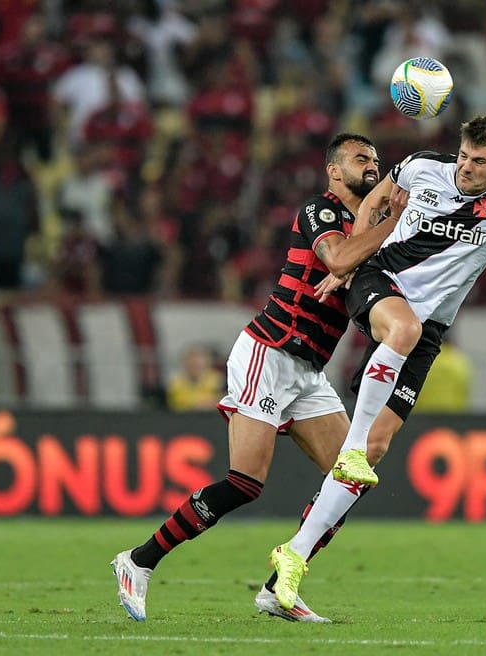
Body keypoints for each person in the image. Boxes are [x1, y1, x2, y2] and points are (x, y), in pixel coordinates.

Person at [268, 115, 486, 611]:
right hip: (380, 283)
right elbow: (373, 207)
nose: (467, 168)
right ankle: (352, 449)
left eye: (480, 162)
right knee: (398, 339)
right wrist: (350, 266)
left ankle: (291, 561)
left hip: (428, 332)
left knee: (378, 447)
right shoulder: (421, 166)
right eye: (465, 156)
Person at [110, 133, 406, 624]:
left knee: (350, 478)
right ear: (334, 170)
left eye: (376, 159)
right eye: (360, 158)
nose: (372, 165)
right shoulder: (322, 210)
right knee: (246, 482)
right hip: (268, 353)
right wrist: (391, 222)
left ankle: (278, 587)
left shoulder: (371, 229)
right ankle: (139, 561)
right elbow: (335, 258)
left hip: (309, 371)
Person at [165, 344, 223, 412]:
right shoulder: (175, 384)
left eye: (197, 365)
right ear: (185, 364)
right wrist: (200, 404)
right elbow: (177, 402)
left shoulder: (217, 380)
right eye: (192, 364)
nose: (194, 367)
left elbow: (224, 399)